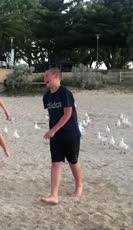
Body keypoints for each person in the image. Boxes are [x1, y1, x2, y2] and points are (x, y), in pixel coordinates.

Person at [42, 67, 82, 205]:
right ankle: (54, 195)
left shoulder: (65, 93)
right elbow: (52, 116)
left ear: (56, 77)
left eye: (47, 75)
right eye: (44, 76)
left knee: (73, 161)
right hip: (55, 135)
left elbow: (67, 114)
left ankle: (79, 185)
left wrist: (53, 130)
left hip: (70, 133)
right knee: (55, 163)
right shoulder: (46, 96)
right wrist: (52, 131)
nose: (44, 78)